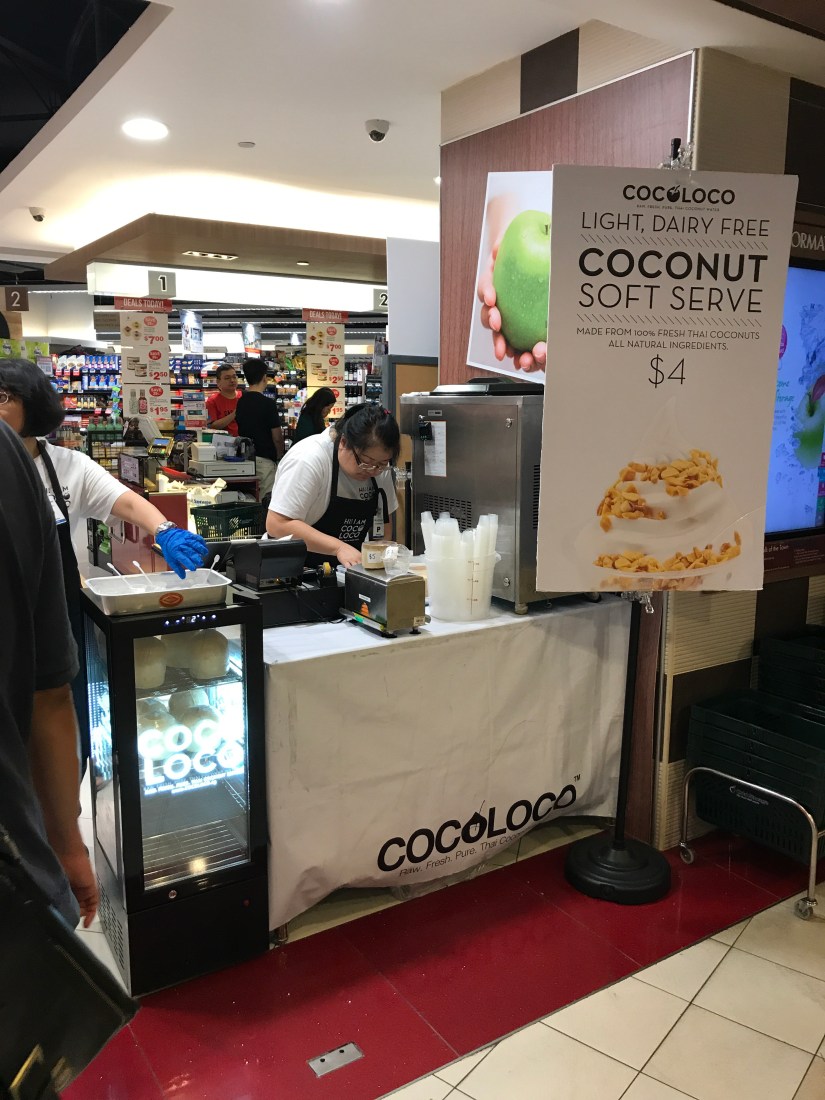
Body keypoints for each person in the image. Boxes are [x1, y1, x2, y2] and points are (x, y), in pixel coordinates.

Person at [0, 360, 207, 773]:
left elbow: (124, 500)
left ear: (33, 406)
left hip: (56, 617)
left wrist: (165, 529)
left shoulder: (67, 466)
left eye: (3, 396)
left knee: (61, 717)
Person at [0, 418, 97, 928]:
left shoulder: (56, 464)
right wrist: (67, 843)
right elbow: (48, 694)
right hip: (14, 851)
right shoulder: (11, 463)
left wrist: (165, 528)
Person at [266, 402, 399, 567]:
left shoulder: (379, 467)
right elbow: (277, 524)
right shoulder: (308, 459)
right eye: (365, 462)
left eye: (381, 464)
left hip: (345, 571)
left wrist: (381, 564)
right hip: (293, 569)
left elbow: (383, 525)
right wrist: (338, 548)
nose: (373, 470)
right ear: (343, 442)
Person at [235, 356, 284, 501]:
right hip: (265, 459)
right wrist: (279, 456)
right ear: (264, 378)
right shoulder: (268, 404)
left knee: (249, 498)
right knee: (265, 501)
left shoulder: (241, 401)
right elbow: (277, 437)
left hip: (245, 458)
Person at [206, 362, 240, 435]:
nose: (232, 380)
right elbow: (212, 426)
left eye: (234, 377)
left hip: (246, 439)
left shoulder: (244, 396)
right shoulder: (212, 401)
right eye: (227, 378)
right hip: (224, 440)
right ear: (218, 382)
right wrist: (235, 413)